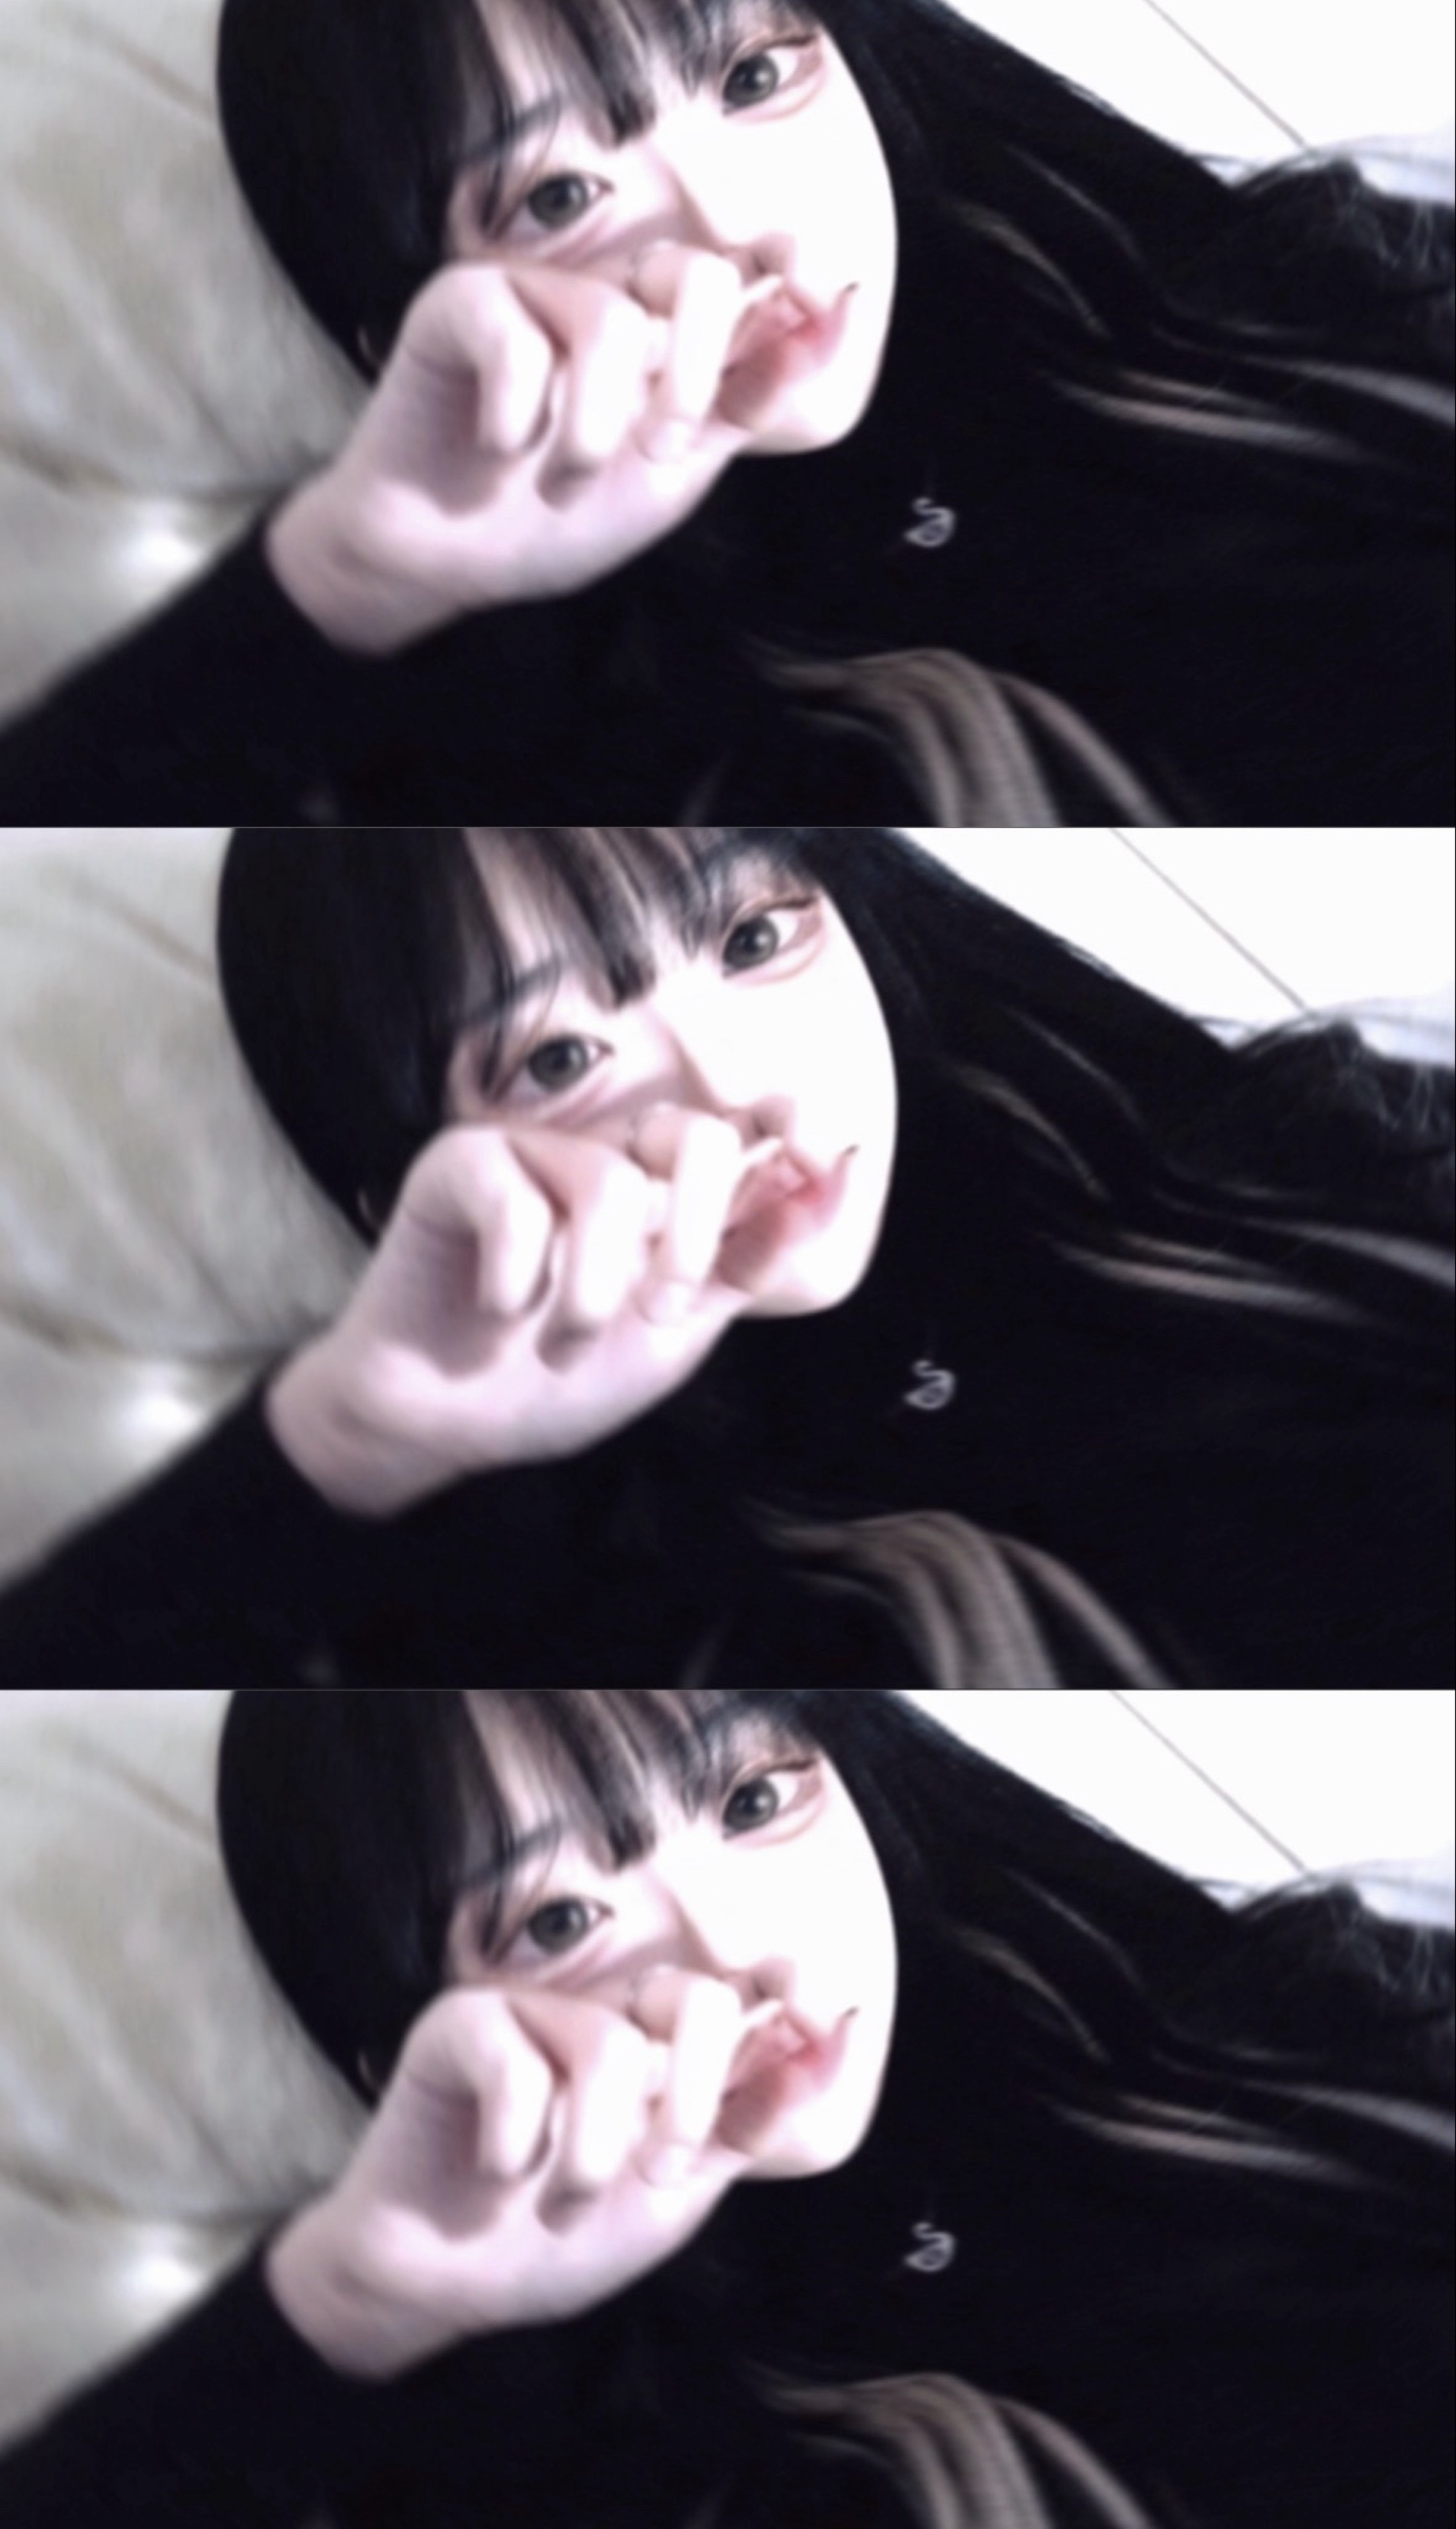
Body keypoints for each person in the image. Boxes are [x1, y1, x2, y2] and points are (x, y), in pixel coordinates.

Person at [0, 1653, 1450, 2528]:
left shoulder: (1305, 2031)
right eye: (558, 1923)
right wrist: (351, 2303)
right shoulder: (569, 2466)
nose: (734, 1952)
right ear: (424, 2064)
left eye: (751, 1800)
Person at [0, 826, 1449, 1695]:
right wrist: (362, 1435)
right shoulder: (565, 1629)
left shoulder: (1298, 1177)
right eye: (558, 1059)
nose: (735, 1092)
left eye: (752, 936)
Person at [0, 0, 1449, 823]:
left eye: (753, 74)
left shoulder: (1279, 304)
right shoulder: (559, 742)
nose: (736, 228)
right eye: (558, 197)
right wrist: (352, 571)